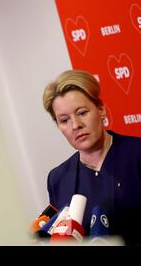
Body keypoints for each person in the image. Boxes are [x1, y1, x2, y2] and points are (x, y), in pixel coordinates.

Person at [42, 69, 141, 245]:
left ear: (101, 110)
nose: (76, 125)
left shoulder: (136, 153)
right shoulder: (58, 179)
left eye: (82, 113)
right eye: (64, 120)